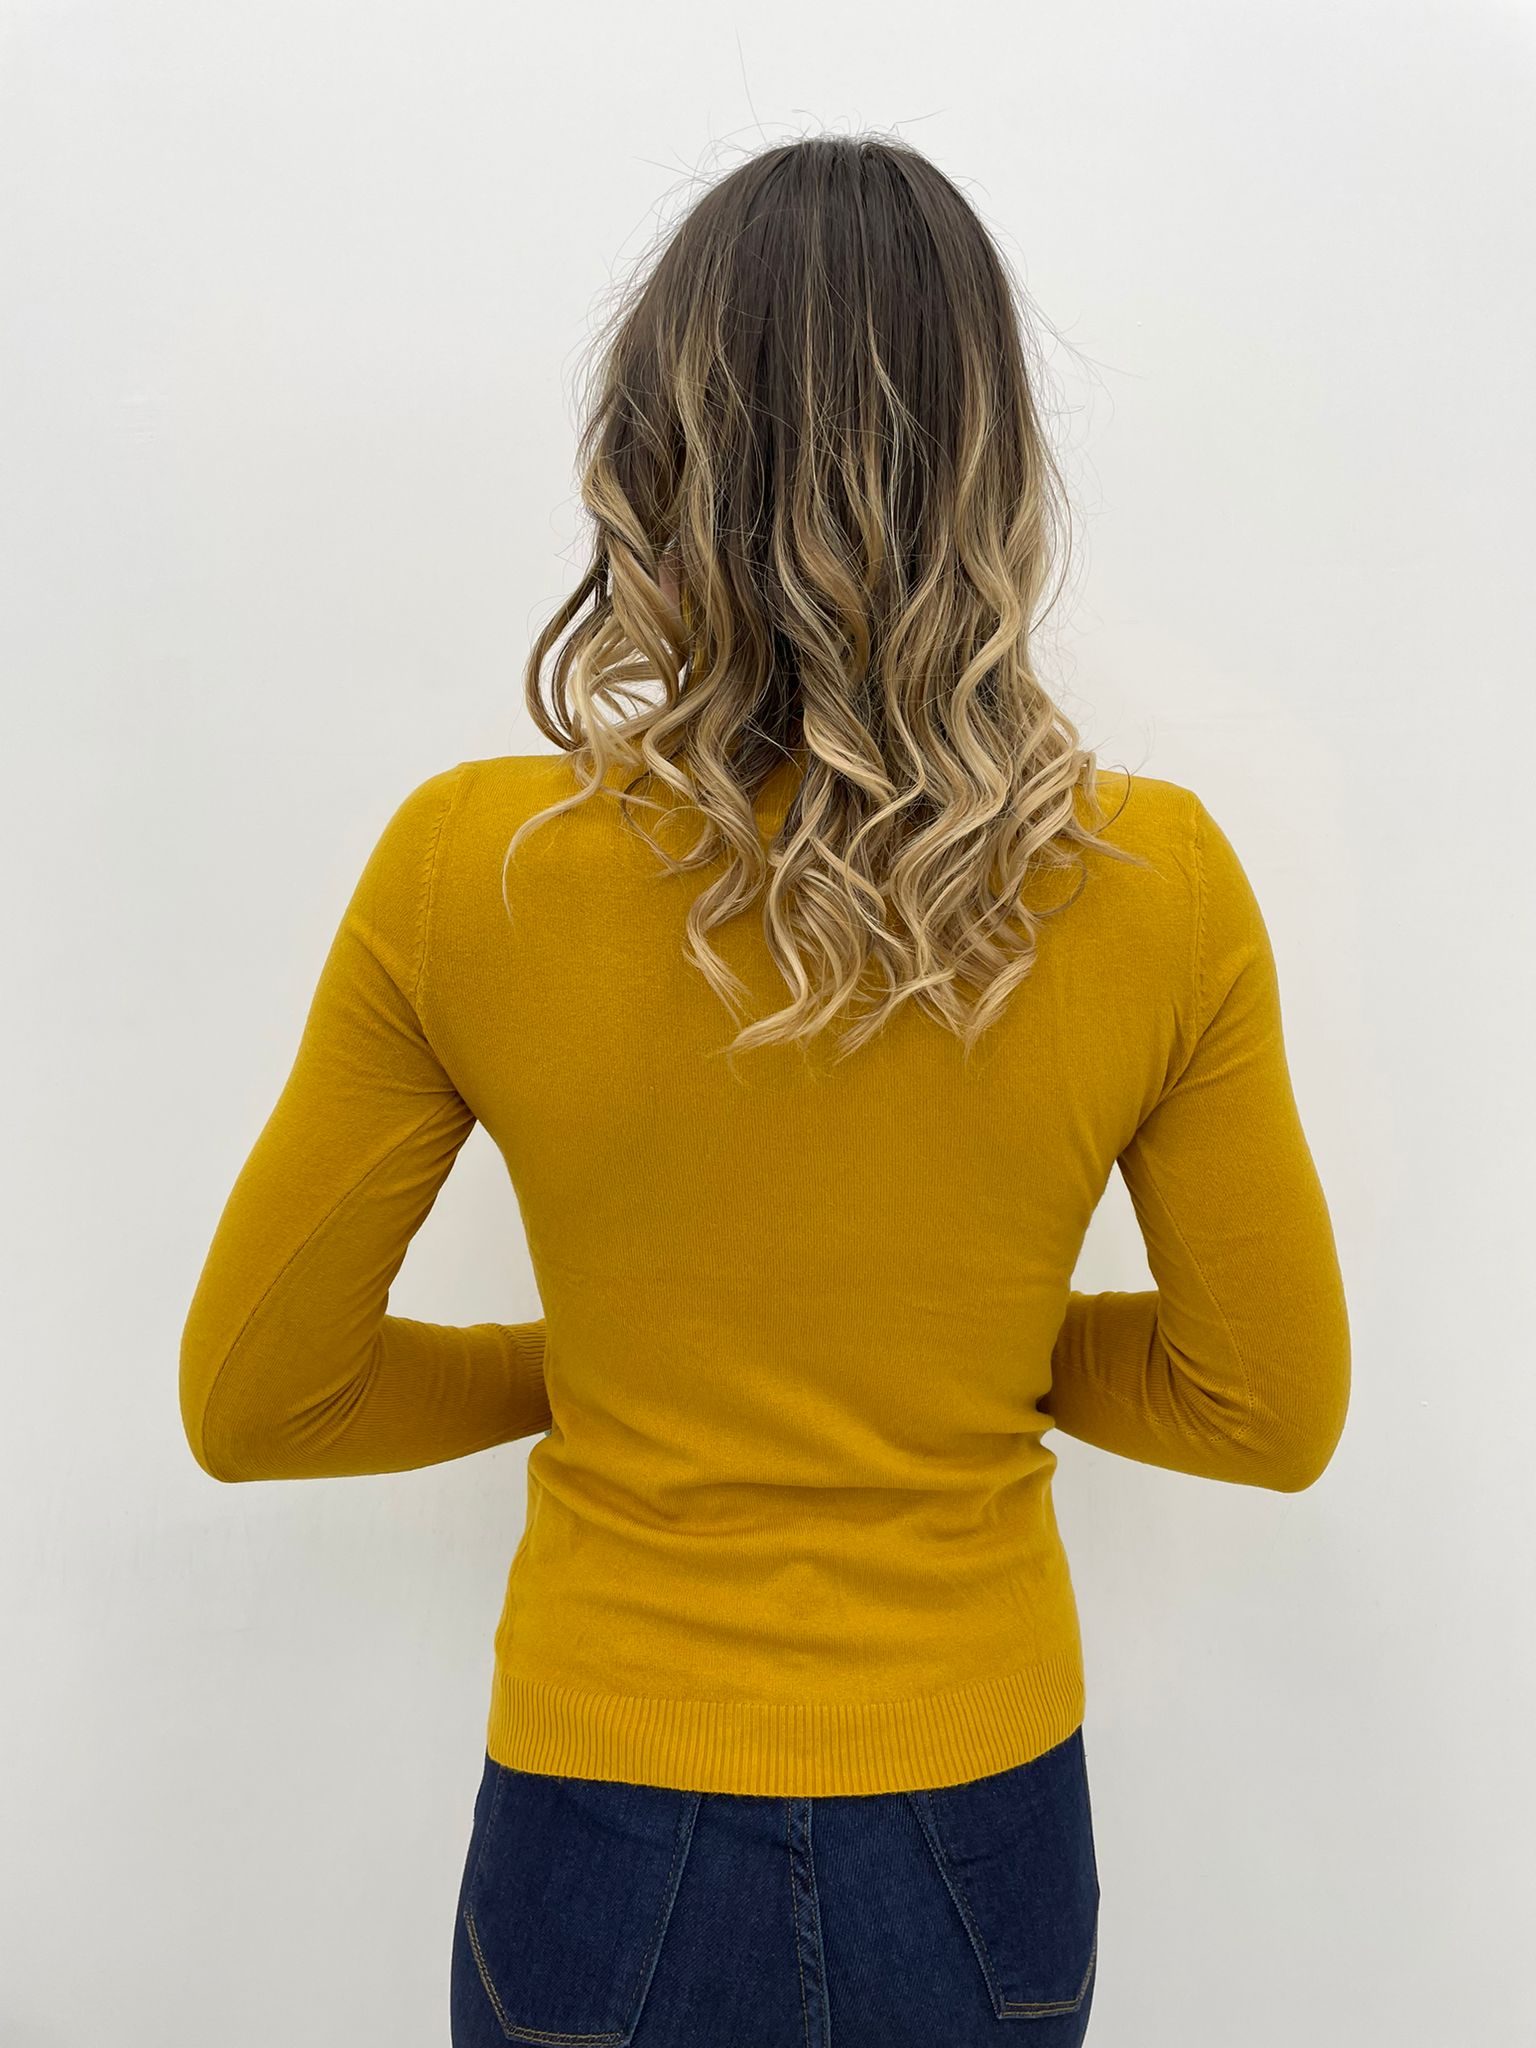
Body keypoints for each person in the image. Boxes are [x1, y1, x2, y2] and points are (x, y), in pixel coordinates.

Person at [178, 131, 1351, 2047]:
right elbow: (1269, 1408)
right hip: (981, 1831)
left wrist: (615, 1359)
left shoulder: (472, 869)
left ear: (655, 455)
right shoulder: (1157, 884)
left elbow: (257, 1398)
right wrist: (953, 1350)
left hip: (598, 1828)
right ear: (992, 473)